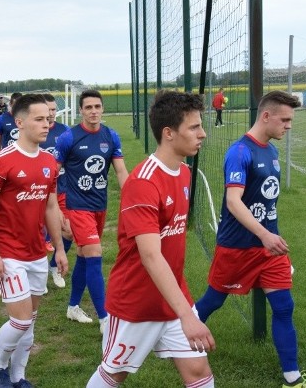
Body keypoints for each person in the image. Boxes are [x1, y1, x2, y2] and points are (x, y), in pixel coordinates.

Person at [86, 90, 214, 388]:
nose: (202, 134)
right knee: (114, 374)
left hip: (172, 296)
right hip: (136, 303)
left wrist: (182, 309)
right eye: (194, 127)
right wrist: (188, 315)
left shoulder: (184, 172)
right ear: (169, 133)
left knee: (198, 370)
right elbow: (150, 256)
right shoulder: (143, 182)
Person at [195, 91, 306, 388]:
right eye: (285, 119)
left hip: (269, 249)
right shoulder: (240, 152)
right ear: (266, 116)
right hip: (237, 247)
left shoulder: (271, 151)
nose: (288, 126)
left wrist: (270, 235)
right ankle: (173, 335)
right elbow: (234, 202)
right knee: (213, 301)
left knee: (284, 306)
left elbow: (266, 200)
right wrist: (263, 234)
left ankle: (293, 375)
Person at [0, 93, 69, 388]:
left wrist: (58, 249)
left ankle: (19, 376)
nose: (47, 124)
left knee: (30, 321)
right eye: (39, 119)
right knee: (19, 320)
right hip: (8, 254)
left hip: (35, 254)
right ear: (20, 122)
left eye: (49, 119)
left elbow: (51, 206)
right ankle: (0, 366)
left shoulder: (48, 161)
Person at [55, 89, 128, 333]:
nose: (93, 111)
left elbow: (120, 171)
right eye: (88, 107)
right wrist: (56, 210)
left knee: (85, 258)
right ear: (81, 111)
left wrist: (133, 200)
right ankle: (105, 320)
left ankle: (73, 306)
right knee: (95, 254)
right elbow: (53, 174)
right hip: (77, 207)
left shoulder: (111, 136)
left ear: (102, 109)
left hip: (100, 205)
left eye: (97, 106)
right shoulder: (68, 137)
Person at [40, 93, 71, 272]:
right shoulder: (35, 132)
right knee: (40, 235)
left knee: (68, 231)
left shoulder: (65, 131)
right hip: (40, 191)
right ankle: (40, 273)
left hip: (63, 189)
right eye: (47, 110)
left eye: (53, 110)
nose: (51, 113)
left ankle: (53, 267)